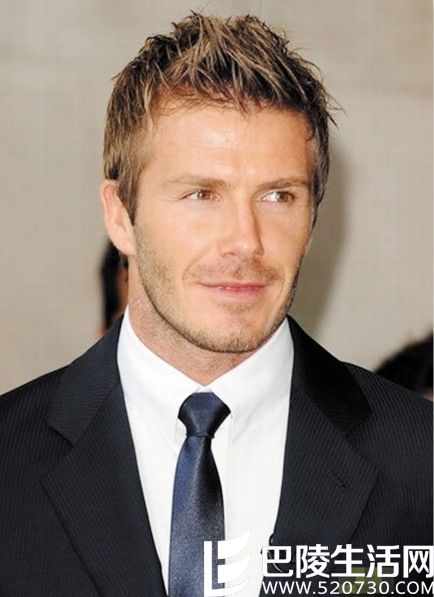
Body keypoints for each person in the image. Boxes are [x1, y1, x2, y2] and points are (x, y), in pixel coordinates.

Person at [0, 14, 431, 597]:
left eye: (278, 196)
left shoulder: (421, 461)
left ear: (312, 218)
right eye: (202, 194)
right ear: (121, 216)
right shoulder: (9, 456)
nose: (245, 242)